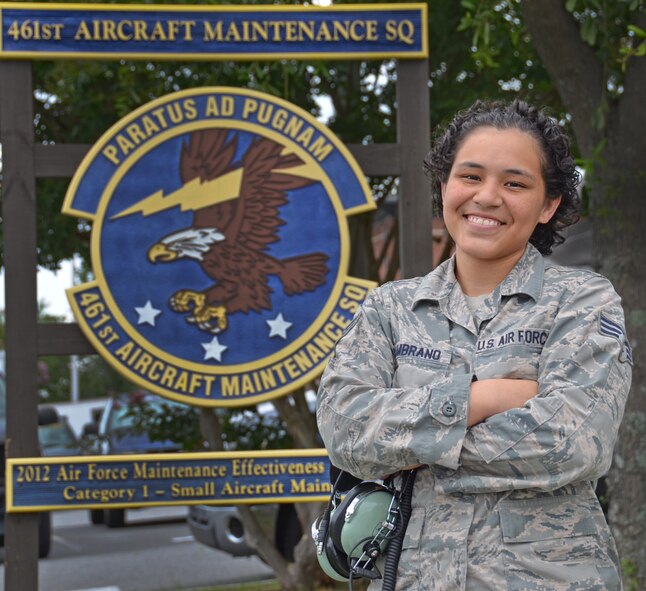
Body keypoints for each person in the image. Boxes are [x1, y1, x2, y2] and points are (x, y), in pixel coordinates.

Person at [316, 99, 632, 590]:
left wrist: (409, 450)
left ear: (549, 204)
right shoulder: (389, 309)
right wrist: (490, 398)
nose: (487, 197)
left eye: (515, 183)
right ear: (444, 186)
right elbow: (344, 430)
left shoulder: (583, 302)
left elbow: (573, 441)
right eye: (470, 176)